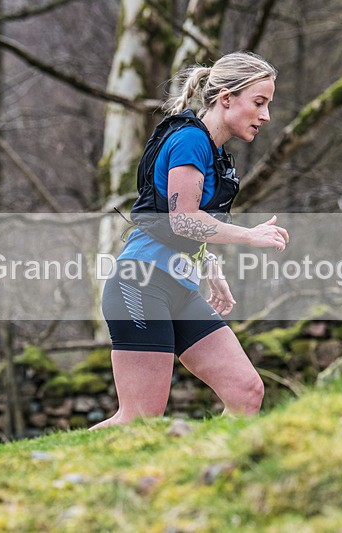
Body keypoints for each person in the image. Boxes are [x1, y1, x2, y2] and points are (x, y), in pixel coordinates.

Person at [90, 51, 289, 430]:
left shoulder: (212, 151)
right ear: (227, 98)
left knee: (246, 392)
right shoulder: (189, 141)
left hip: (177, 287)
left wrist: (210, 268)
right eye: (259, 103)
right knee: (138, 420)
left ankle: (210, 475)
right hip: (141, 284)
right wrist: (250, 236)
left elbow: (181, 224)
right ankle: (61, 476)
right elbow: (183, 220)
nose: (266, 116)